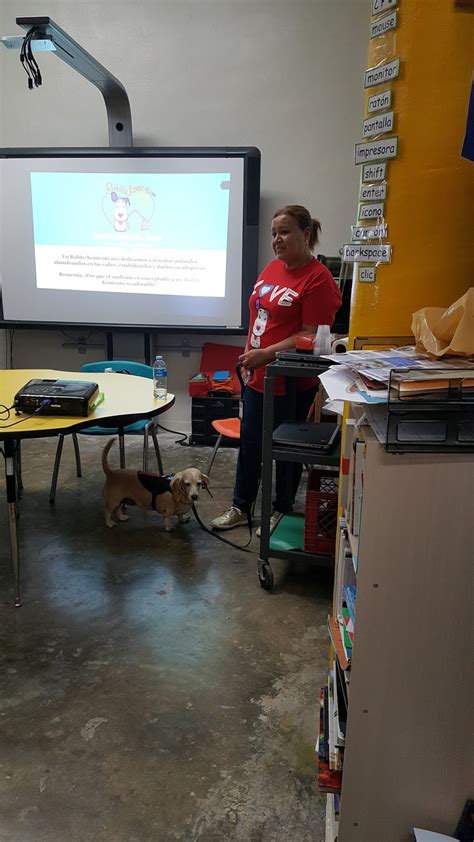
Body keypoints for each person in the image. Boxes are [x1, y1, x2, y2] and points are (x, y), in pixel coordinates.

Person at [211, 204, 342, 532]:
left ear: (306, 234)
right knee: (251, 443)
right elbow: (258, 317)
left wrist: (266, 354)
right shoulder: (271, 269)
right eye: (274, 234)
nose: (277, 240)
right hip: (257, 375)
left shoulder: (318, 279)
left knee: (284, 449)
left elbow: (312, 333)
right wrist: (248, 356)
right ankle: (240, 507)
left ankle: (280, 511)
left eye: (284, 232)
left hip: (290, 381)